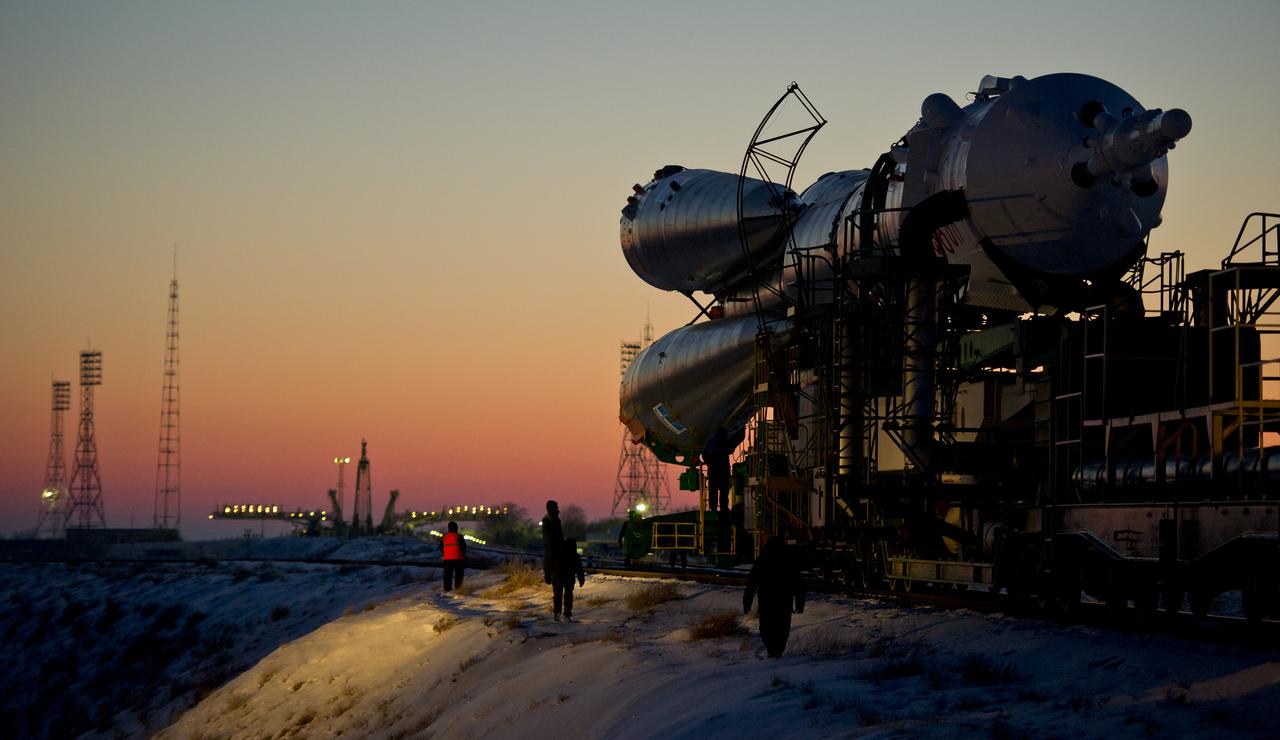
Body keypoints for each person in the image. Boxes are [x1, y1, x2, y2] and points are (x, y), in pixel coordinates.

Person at [743, 535, 805, 658]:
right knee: (782, 628)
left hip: (767, 602)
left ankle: (773, 650)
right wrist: (800, 603)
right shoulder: (789, 560)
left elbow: (752, 583)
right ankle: (777, 651)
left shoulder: (762, 560)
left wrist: (747, 601)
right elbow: (799, 584)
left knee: (766, 628)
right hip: (784, 601)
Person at [554, 538, 586, 621]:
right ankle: (567, 614)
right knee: (568, 596)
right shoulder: (575, 556)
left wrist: (550, 575)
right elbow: (579, 569)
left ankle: (557, 612)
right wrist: (581, 579)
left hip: (558, 577)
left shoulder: (559, 554)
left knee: (558, 595)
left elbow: (553, 566)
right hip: (569, 578)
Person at [702, 426, 733, 512]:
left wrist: (709, 464)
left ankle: (713, 508)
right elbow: (731, 450)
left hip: (713, 471)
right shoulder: (724, 442)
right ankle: (724, 507)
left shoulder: (710, 442)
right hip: (723, 471)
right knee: (724, 490)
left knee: (713, 490)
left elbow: (704, 454)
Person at [541, 500, 564, 585]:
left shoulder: (552, 519)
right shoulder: (550, 520)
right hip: (554, 550)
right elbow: (550, 538)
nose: (557, 509)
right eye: (556, 507)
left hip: (554, 550)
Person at [441, 521, 466, 592]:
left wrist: (446, 553)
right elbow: (463, 547)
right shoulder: (459, 536)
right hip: (458, 558)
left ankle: (447, 590)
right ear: (456, 528)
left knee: (447, 576)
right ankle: (458, 589)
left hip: (447, 559)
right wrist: (462, 555)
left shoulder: (444, 537)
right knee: (459, 575)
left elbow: (441, 547)